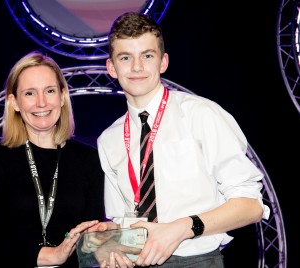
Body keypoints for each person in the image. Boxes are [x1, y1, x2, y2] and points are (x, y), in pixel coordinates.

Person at [96, 12, 270, 267]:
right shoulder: (109, 139)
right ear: (111, 67)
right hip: (137, 261)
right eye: (125, 58)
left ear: (163, 62)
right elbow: (121, 221)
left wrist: (182, 228)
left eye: (147, 56)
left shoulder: (201, 115)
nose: (136, 67)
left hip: (197, 261)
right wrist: (102, 244)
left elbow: (251, 206)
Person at [0, 51, 106, 267]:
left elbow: (92, 235)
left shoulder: (89, 160)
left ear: (62, 97)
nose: (41, 103)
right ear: (14, 102)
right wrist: (49, 255)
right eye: (30, 93)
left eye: (49, 91)